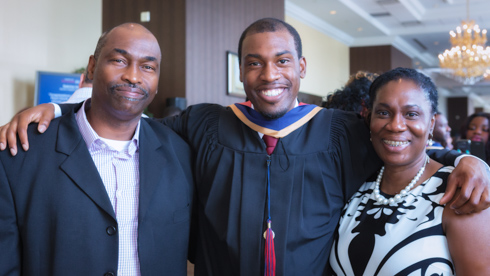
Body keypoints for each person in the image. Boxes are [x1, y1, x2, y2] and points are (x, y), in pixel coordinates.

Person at [1, 18, 490, 275]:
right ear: (241, 72)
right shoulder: (205, 124)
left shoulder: (340, 129)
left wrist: (464, 158)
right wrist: (61, 109)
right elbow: (125, 121)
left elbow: (399, 143)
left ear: (301, 67)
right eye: (254, 63)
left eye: (281, 61)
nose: (269, 74)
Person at [0, 23, 194, 275]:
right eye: (119, 60)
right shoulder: (20, 152)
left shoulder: (180, 153)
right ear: (92, 66)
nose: (133, 76)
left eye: (147, 67)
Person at [329, 68, 490, 275]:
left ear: (430, 123)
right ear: (369, 119)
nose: (396, 125)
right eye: (384, 112)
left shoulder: (460, 191)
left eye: (411, 114)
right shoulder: (357, 185)